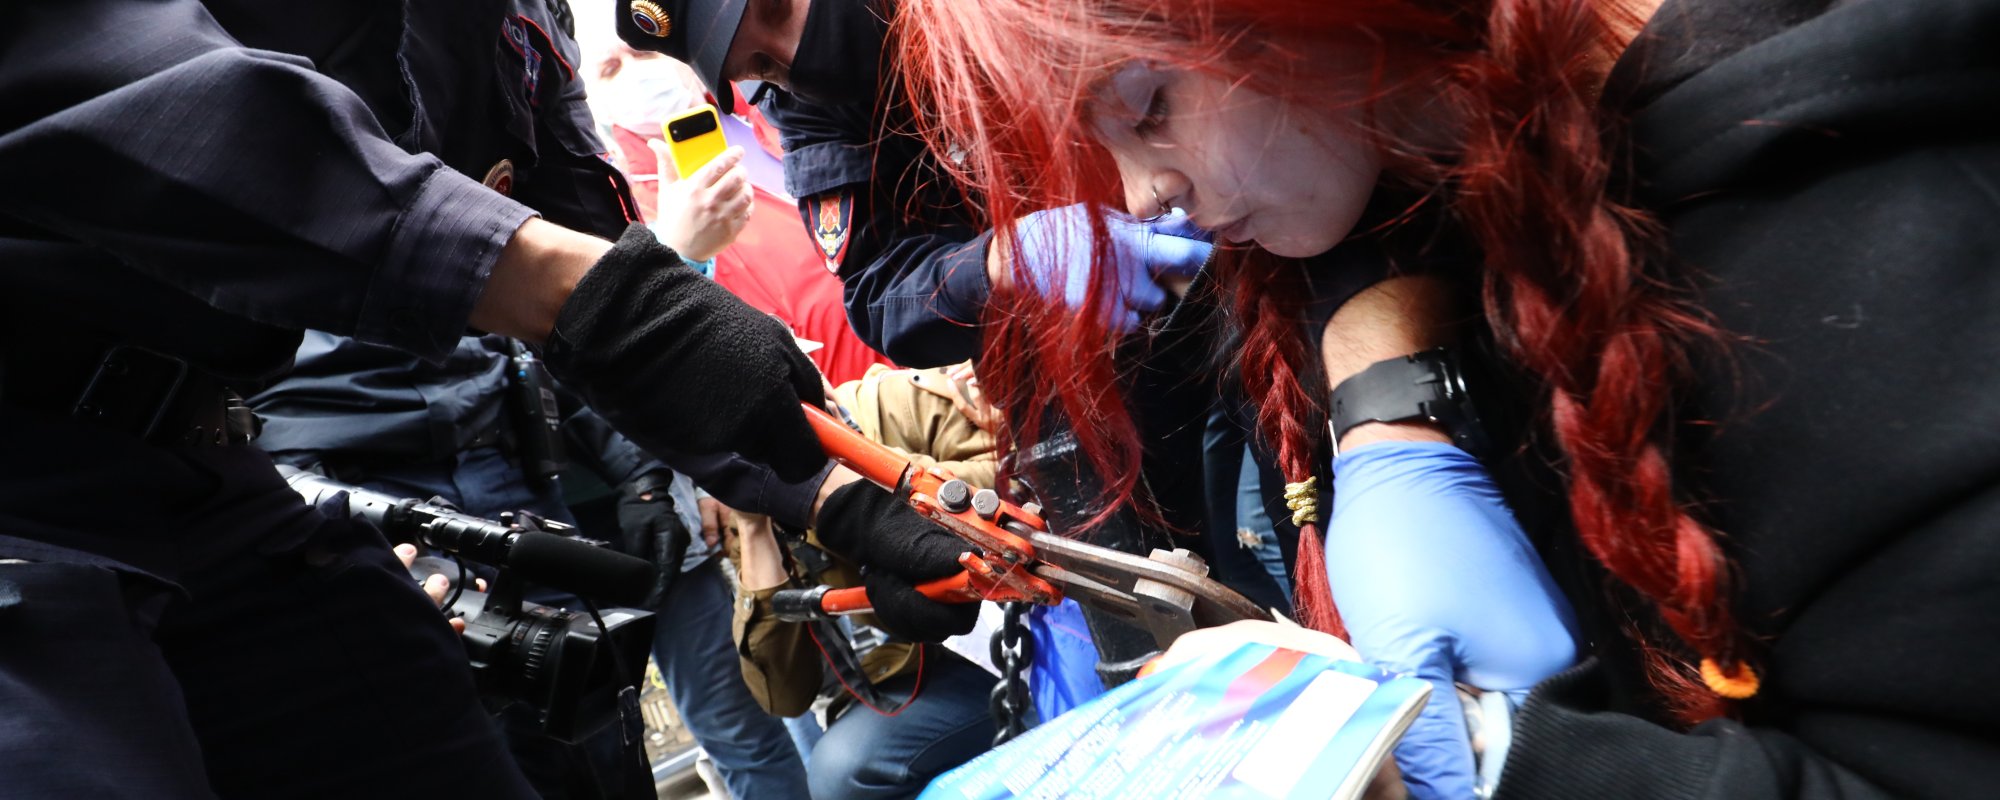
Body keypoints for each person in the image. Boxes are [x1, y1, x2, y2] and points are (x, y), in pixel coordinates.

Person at [893, 0, 2000, 797]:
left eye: (1148, 105)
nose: (1145, 197)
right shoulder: (1430, 172)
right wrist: (1387, 407)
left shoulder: (1875, 251)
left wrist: (1495, 757)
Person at [0, 1, 964, 796]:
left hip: (206, 461)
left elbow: (608, 279)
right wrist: (571, 286)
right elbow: (154, 105)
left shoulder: (516, 24)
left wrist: (835, 498)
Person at [614, 0, 1304, 654]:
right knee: (1187, 623)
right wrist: (1008, 260)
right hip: (1092, 383)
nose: (794, 56)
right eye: (761, 65)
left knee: (1308, 531)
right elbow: (880, 292)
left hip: (1260, 257)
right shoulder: (814, 106)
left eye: (774, 9)